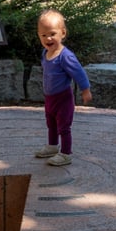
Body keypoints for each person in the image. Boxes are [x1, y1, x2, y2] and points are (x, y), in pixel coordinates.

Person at [34, 9, 92, 167]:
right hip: (49, 98)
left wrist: (85, 89)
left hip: (63, 98)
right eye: (43, 35)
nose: (48, 38)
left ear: (63, 33)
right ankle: (52, 146)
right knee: (51, 123)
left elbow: (78, 72)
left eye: (52, 33)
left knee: (64, 126)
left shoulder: (65, 56)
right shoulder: (45, 53)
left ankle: (66, 153)